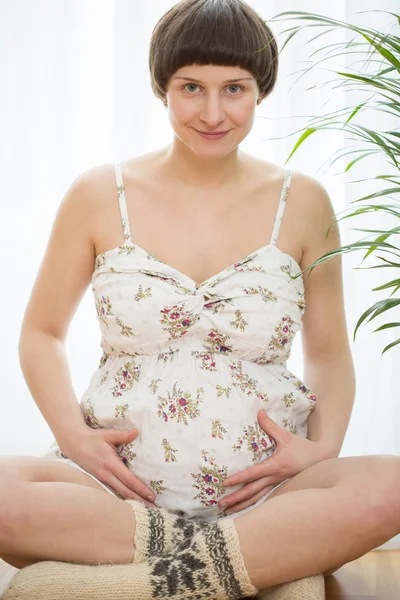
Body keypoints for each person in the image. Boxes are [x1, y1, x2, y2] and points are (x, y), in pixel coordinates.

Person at [1, 0, 399, 598]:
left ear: (260, 91)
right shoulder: (96, 195)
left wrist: (321, 450)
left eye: (234, 88)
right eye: (192, 87)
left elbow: (328, 351)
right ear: (163, 88)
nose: (213, 113)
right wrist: (76, 437)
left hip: (267, 496)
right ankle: (242, 568)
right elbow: (41, 333)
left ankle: (137, 581)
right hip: (115, 495)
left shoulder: (307, 202)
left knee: (393, 485)